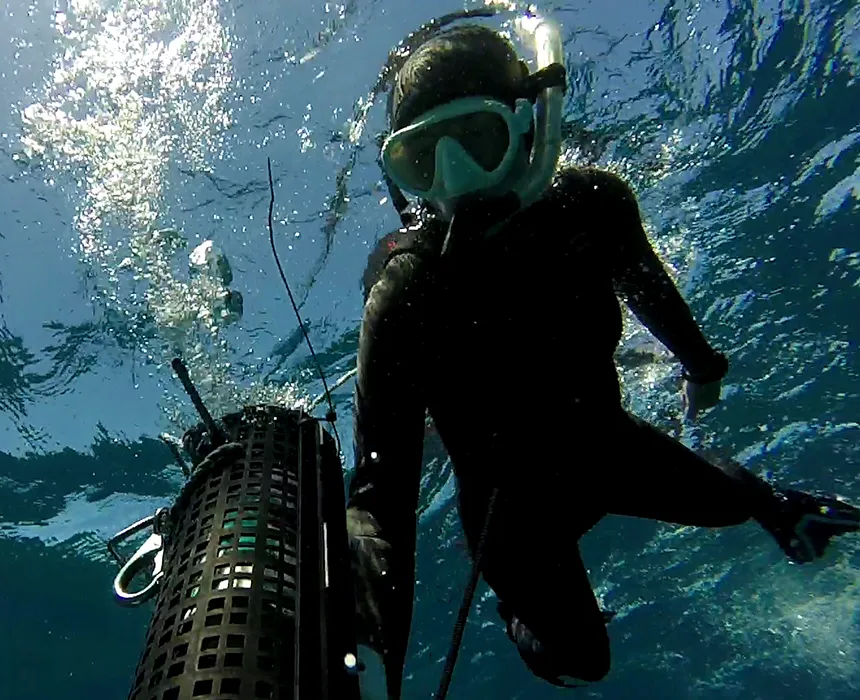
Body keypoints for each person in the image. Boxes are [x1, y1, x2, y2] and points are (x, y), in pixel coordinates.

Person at [344, 18, 860, 699]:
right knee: (583, 661)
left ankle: (781, 509)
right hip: (512, 521)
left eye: (477, 141)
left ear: (531, 126)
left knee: (740, 505)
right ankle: (516, 615)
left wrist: (703, 368)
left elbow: (653, 294)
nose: (457, 182)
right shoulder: (405, 294)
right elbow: (381, 504)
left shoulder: (593, 206)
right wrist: (365, 656)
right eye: (425, 160)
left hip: (611, 448)